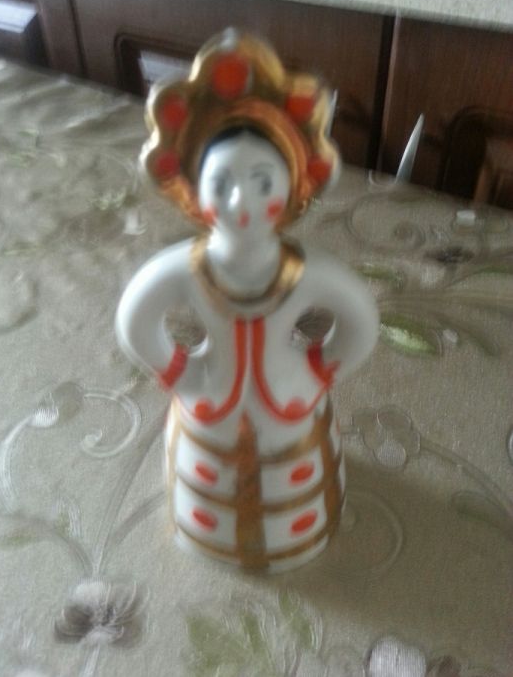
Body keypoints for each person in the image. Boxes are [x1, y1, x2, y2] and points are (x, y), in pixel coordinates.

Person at [116, 31, 378, 571]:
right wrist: (176, 370)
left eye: (262, 183)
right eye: (223, 183)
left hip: (290, 403)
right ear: (194, 189)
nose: (241, 202)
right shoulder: (187, 271)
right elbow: (135, 316)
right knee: (206, 482)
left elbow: (360, 319)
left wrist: (320, 369)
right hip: (209, 400)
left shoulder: (305, 274)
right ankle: (206, 533)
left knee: (295, 487)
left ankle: (297, 535)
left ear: (294, 185)